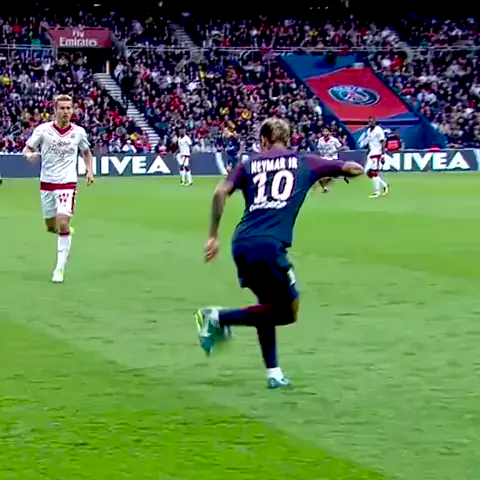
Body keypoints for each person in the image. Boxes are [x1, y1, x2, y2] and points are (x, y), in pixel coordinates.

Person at [194, 118, 363, 389]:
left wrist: (213, 235)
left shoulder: (248, 164)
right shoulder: (305, 162)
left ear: (263, 140)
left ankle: (273, 374)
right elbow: (352, 168)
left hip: (242, 243)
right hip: (269, 246)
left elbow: (219, 193)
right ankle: (216, 317)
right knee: (287, 312)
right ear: (288, 139)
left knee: (266, 306)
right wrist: (345, 172)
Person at [22, 94, 94, 283]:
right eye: (61, 108)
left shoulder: (78, 132)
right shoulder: (43, 130)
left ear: (73, 110)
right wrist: (29, 155)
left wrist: (89, 170)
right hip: (47, 183)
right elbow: (27, 149)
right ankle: (64, 228)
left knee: (62, 222)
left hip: (67, 183)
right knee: (50, 226)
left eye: (68, 108)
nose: (65, 112)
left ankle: (59, 269)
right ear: (55, 110)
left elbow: (86, 152)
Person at [365, 117, 388, 198]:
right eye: (369, 122)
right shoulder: (368, 131)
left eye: (372, 122)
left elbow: (383, 142)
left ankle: (377, 192)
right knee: (367, 171)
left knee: (374, 172)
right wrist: (368, 152)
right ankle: (384, 185)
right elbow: (369, 142)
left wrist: (383, 155)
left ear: (375, 122)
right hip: (371, 153)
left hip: (377, 153)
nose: (370, 123)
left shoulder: (379, 130)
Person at [316, 126, 345, 193]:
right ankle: (324, 187)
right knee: (320, 175)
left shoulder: (334, 140)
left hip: (332, 158)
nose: (325, 132)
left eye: (326, 131)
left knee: (329, 174)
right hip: (324, 158)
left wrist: (334, 152)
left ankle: (335, 177)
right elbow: (318, 149)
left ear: (329, 132)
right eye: (323, 131)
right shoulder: (320, 140)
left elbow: (340, 147)